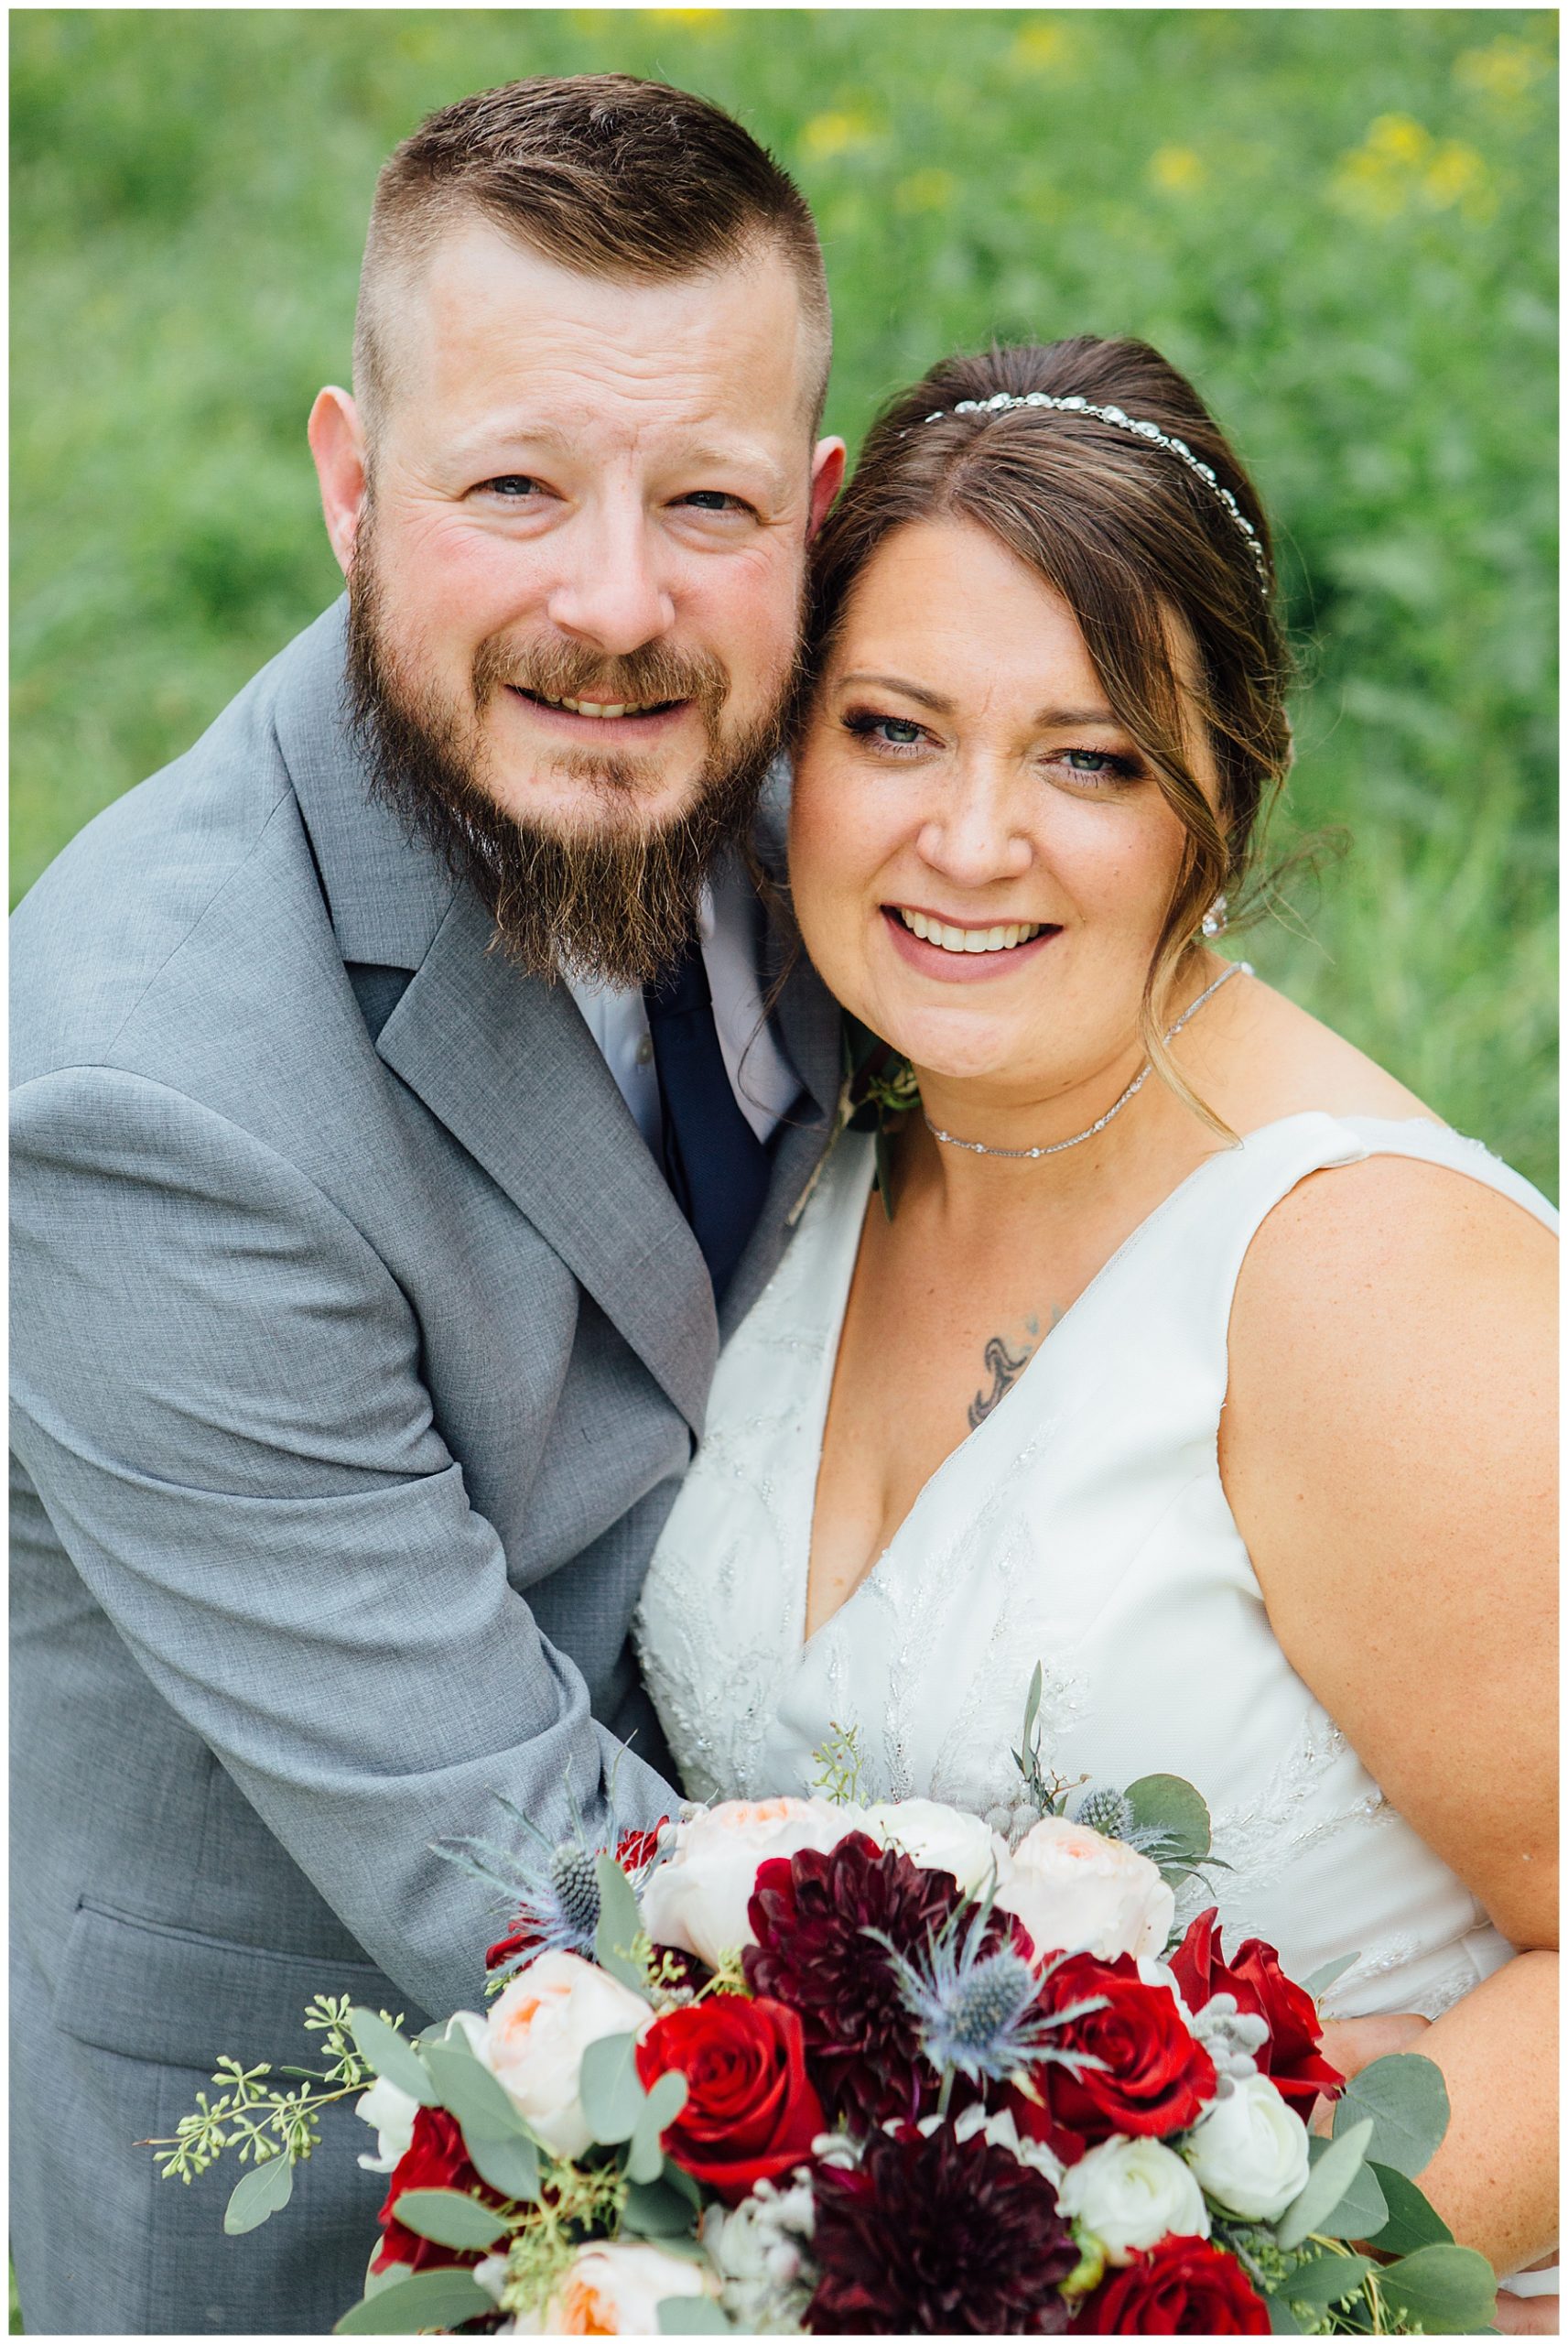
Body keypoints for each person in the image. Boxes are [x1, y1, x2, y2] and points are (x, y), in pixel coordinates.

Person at [10, 75, 845, 2335]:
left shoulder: (851, 798)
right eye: (510, 491)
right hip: (310, 2193)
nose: (614, 602)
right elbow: (504, 1866)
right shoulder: (145, 1091)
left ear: (817, 517)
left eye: (708, 502)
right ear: (349, 490)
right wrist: (1082, 2136)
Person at [634, 337, 1558, 2307]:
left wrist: (1197, 2281)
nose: (968, 841)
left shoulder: (1353, 1275)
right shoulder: (814, 1167)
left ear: (1224, 783)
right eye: (892, 729)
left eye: (1088, 758)